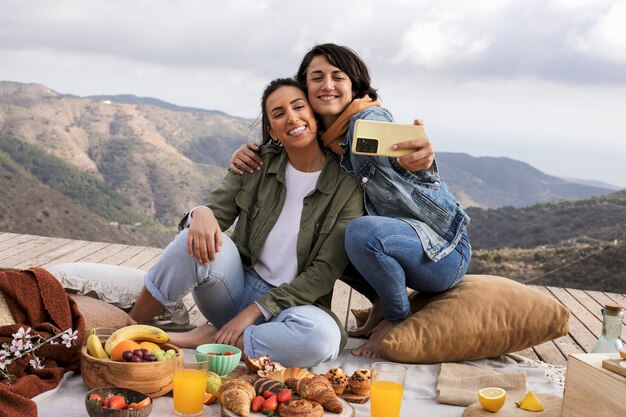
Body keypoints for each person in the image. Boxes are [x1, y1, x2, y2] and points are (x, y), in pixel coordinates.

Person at [229, 43, 471, 358]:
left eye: (337, 76)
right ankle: (382, 302)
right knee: (324, 234)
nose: (327, 85)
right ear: (306, 87)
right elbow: (283, 146)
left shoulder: (368, 120)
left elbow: (407, 153)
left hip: (441, 252)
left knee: (358, 230)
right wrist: (247, 153)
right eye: (317, 78)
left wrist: (423, 159)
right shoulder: (323, 138)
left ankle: (396, 320)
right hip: (394, 249)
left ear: (353, 85)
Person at [128, 78, 363, 367]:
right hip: (235, 288)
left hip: (292, 307)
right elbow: (215, 212)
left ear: (314, 114)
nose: (291, 117)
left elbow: (324, 273)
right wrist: (199, 213)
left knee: (322, 339)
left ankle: (211, 340)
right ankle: (128, 327)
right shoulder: (256, 163)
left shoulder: (347, 186)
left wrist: (255, 310)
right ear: (271, 131)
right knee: (192, 239)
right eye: (278, 114)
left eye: (299, 107)